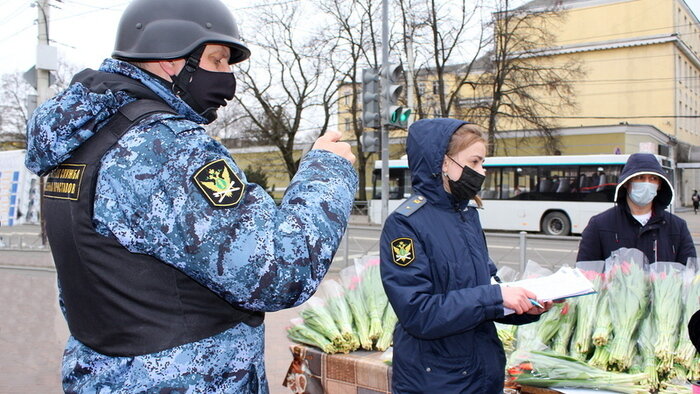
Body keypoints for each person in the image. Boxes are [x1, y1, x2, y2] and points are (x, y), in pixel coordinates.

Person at [24, 0, 357, 392]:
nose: (228, 79)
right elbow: (280, 272)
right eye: (217, 60)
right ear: (170, 59)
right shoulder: (167, 148)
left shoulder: (83, 142)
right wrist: (326, 170)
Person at [380, 119, 551, 393]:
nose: (481, 172)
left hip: (479, 374)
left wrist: (525, 308)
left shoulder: (466, 216)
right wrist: (496, 297)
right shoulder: (405, 224)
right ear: (444, 163)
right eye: (474, 162)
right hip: (437, 380)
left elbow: (486, 290)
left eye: (482, 163)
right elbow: (418, 313)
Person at [577, 153, 695, 264]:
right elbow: (585, 274)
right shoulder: (599, 225)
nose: (647, 183)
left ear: (659, 185)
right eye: (640, 177)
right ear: (626, 183)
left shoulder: (677, 227)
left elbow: (690, 273)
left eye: (653, 178)